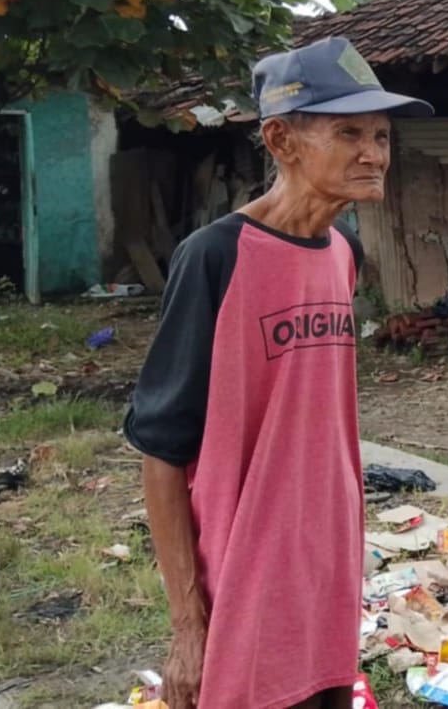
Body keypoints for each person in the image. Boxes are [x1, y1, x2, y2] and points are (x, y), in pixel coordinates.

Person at [124, 37, 432, 709]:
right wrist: (188, 622)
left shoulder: (342, 254)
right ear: (281, 139)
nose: (374, 152)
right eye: (348, 131)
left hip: (327, 563)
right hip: (247, 571)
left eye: (381, 134)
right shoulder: (216, 257)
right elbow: (160, 449)